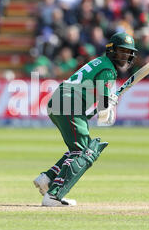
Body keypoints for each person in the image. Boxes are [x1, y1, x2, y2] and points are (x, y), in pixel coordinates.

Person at [33, 32, 138, 206]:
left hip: (59, 100)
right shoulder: (108, 70)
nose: (125, 56)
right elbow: (105, 116)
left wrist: (108, 101)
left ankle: (48, 179)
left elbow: (96, 104)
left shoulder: (100, 62)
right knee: (85, 152)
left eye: (128, 53)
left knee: (77, 149)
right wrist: (109, 103)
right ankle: (53, 196)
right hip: (68, 102)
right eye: (121, 51)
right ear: (111, 50)